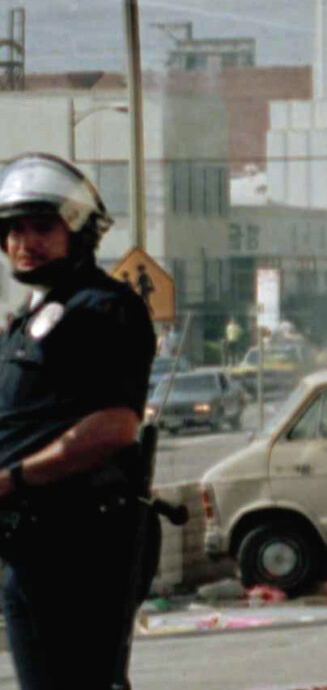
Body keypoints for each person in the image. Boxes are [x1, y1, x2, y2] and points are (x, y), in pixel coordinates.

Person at [0, 155, 157, 690]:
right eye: (13, 230)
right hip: (28, 544)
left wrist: (12, 478)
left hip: (81, 543)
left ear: (79, 230)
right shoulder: (30, 317)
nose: (25, 241)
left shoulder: (100, 308)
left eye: (42, 227)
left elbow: (114, 427)